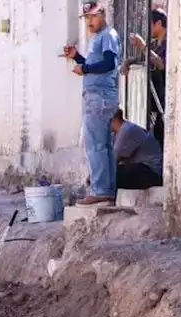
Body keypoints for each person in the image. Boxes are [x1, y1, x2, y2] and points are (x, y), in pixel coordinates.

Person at [64, 2, 122, 205]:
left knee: (95, 146)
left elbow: (109, 64)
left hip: (99, 97)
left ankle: (100, 191)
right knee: (103, 146)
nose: (90, 21)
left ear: (103, 16)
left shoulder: (107, 35)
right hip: (101, 97)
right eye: (87, 18)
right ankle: (107, 190)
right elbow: (94, 64)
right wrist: (77, 57)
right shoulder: (100, 37)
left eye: (93, 17)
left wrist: (85, 69)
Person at [128, 9, 168, 146]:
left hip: (166, 102)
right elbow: (141, 58)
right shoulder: (154, 44)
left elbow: (161, 64)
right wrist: (128, 62)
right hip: (155, 102)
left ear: (158, 23)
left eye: (150, 24)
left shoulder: (169, 44)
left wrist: (143, 47)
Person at [112, 109, 164, 190]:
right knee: (107, 174)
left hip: (152, 173)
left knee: (108, 175)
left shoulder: (127, 130)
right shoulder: (121, 131)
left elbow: (113, 160)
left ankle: (104, 196)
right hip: (145, 170)